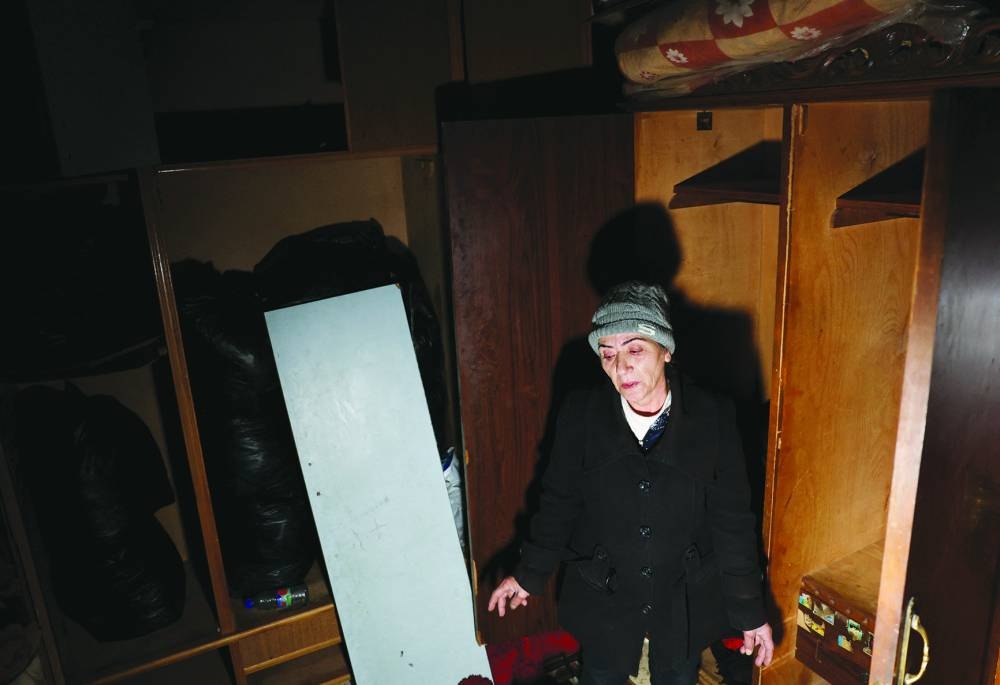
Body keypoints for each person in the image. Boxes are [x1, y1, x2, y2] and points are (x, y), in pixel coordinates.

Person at [487, 281, 774, 685]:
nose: (620, 368)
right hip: (606, 592)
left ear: (666, 350)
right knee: (602, 671)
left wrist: (750, 613)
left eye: (635, 349)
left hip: (682, 596)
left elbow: (732, 523)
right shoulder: (581, 414)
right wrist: (529, 572)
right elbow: (558, 502)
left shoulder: (712, 417)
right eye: (608, 354)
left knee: (676, 672)